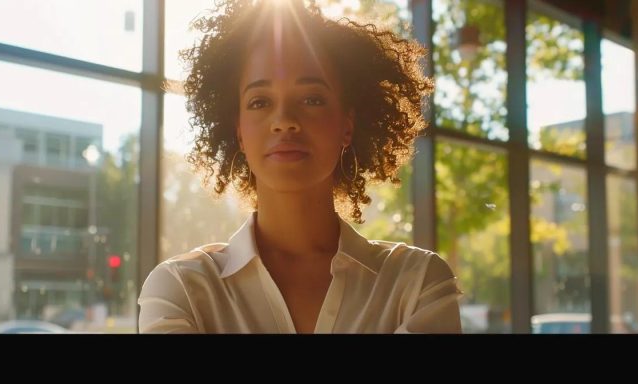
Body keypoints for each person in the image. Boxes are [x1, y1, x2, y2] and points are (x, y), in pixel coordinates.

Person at [138, 0, 462, 333]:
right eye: (260, 102)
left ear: (347, 125)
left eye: (312, 99)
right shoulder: (181, 289)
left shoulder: (417, 282)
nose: (284, 120)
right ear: (239, 132)